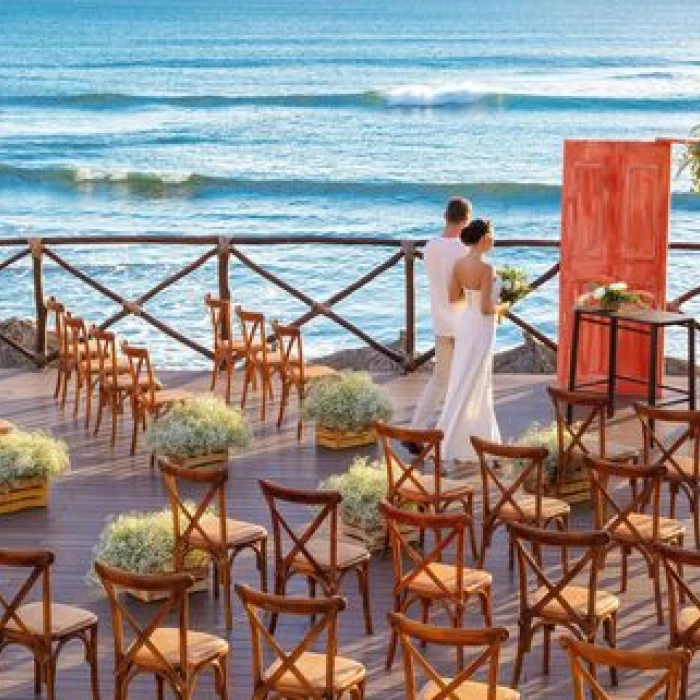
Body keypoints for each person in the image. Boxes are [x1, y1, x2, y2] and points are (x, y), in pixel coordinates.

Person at [436, 219, 507, 462]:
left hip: (466, 323)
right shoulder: (487, 268)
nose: (494, 240)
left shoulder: (459, 263)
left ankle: (450, 438)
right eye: (492, 235)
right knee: (478, 380)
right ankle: (476, 439)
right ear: (484, 239)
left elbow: (453, 298)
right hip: (481, 326)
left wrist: (474, 301)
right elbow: (487, 308)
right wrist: (503, 307)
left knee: (462, 379)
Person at [405, 197, 471, 451]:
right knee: (463, 380)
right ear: (465, 220)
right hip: (463, 320)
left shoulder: (431, 247)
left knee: (440, 379)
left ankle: (416, 430)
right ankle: (455, 435)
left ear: (445, 216)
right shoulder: (464, 249)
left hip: (440, 319)